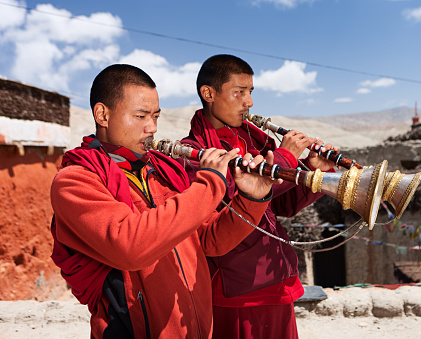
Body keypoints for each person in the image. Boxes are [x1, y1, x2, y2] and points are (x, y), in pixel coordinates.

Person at [50, 64, 280, 338]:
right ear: (102, 114)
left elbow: (211, 240)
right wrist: (209, 183)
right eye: (141, 116)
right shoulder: (75, 180)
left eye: (156, 116)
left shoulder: (161, 169)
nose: (152, 128)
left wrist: (251, 198)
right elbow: (131, 246)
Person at [180, 54, 338, 338]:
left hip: (276, 277)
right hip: (237, 288)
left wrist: (312, 172)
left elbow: (282, 205)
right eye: (239, 92)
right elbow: (233, 199)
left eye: (250, 92)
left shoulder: (251, 140)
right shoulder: (193, 153)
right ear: (209, 94)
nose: (249, 102)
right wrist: (285, 157)